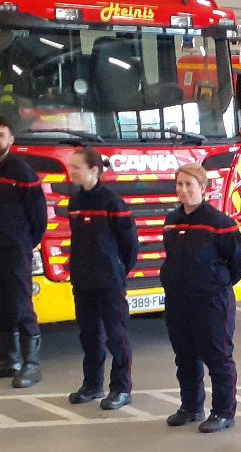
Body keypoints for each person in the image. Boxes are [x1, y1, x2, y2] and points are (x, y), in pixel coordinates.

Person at [161, 163, 241, 432]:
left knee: (218, 356)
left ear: (203, 188)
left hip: (211, 302)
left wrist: (215, 283)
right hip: (179, 301)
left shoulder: (220, 223)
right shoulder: (172, 221)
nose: (183, 190)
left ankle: (223, 412)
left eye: (189, 185)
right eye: (179, 184)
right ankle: (191, 407)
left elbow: (239, 261)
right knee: (185, 356)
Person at [0, 114, 48, 388]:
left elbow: (39, 215)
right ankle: (7, 360)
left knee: (21, 302)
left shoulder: (22, 171)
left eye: (0, 135)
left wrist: (26, 243)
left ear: (11, 140)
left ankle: (31, 365)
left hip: (17, 248)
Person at [63, 146, 137, 410]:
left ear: (93, 170)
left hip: (109, 282)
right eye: (71, 167)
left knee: (116, 336)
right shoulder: (75, 202)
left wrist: (115, 270)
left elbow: (129, 245)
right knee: (89, 334)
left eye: (76, 168)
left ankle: (121, 388)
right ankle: (92, 385)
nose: (71, 172)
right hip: (83, 281)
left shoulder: (112, 203)